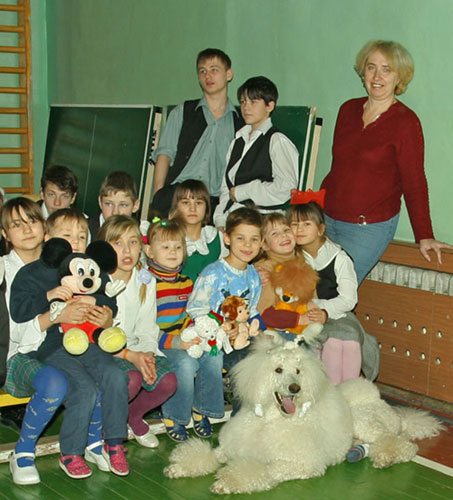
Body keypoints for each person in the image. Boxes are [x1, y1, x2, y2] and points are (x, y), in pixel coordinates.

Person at [9, 206, 130, 478]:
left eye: (82, 236)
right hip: (53, 347)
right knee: (84, 388)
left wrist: (102, 308)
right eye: (67, 236)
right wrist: (51, 298)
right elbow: (19, 311)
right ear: (50, 239)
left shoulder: (90, 267)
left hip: (91, 343)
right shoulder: (32, 273)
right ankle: (71, 452)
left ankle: (113, 442)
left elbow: (108, 298)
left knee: (115, 375)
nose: (76, 242)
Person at [321, 40, 453, 284]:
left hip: (367, 228)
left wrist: (424, 234)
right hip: (327, 221)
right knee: (308, 290)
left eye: (386, 69)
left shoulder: (405, 122)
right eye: (371, 67)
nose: (377, 76)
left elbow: (414, 182)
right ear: (363, 71)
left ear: (399, 76)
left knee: (332, 291)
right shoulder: (348, 110)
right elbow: (339, 169)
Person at [1, 197, 68, 485]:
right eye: (17, 225)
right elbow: (12, 334)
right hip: (15, 355)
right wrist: (52, 313)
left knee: (99, 372)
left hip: (59, 347)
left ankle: (88, 443)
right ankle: (23, 452)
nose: (27, 229)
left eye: (32, 221)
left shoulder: (63, 264)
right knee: (54, 383)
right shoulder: (3, 270)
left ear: (44, 226)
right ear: (5, 234)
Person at [98, 215, 177, 448]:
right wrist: (133, 357)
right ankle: (104, 428)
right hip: (105, 353)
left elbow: (147, 327)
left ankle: (132, 416)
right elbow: (97, 337)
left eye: (132, 242)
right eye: (117, 243)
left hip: (136, 349)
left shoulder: (145, 280)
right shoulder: (96, 281)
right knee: (130, 379)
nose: (127, 250)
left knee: (168, 381)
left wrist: (147, 356)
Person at [144, 218, 222, 442]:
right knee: (186, 364)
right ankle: (175, 415)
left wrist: (197, 333)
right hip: (158, 342)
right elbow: (145, 327)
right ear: (149, 251)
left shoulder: (187, 282)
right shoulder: (147, 283)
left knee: (214, 354)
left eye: (178, 247)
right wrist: (177, 342)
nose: (172, 252)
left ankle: (201, 408)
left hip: (186, 337)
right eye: (165, 247)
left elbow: (190, 315)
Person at [288, 198, 380, 385]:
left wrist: (323, 310)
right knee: (333, 342)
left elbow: (348, 300)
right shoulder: (291, 257)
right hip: (304, 314)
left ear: (321, 229)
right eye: (294, 224)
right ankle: (330, 392)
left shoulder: (339, 258)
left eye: (306, 224)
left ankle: (350, 393)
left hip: (337, 312)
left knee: (350, 340)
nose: (299, 230)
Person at [151, 48, 243, 217]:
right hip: (176, 196)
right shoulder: (183, 112)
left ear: (228, 74)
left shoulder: (240, 122)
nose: (208, 76)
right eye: (203, 71)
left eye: (214, 70)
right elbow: (164, 154)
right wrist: (158, 193)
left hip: (214, 203)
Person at [213, 76, 299, 230]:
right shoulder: (238, 140)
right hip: (233, 218)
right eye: (243, 102)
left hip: (264, 222)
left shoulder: (277, 141)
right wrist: (220, 221)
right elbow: (227, 188)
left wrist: (244, 191)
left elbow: (286, 188)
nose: (246, 107)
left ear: (269, 106)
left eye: (253, 102)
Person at [187, 207, 265, 375]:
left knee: (270, 357)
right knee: (247, 367)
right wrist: (222, 327)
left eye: (254, 239)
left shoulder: (253, 276)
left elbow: (251, 310)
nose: (247, 245)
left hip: (241, 338)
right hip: (213, 340)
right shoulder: (213, 273)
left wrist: (261, 333)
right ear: (227, 238)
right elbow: (196, 308)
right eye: (240, 238)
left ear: (261, 242)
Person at [254, 212, 325, 345]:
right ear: (265, 245)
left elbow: (312, 300)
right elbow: (262, 313)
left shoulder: (303, 264)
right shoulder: (265, 270)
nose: (283, 235)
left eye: (286, 230)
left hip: (302, 329)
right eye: (274, 233)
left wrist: (320, 314)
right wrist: (299, 319)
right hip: (273, 330)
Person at [169, 179, 227, 282]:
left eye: (198, 203)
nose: (193, 208)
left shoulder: (217, 238)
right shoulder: (167, 238)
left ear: (207, 207)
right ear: (176, 207)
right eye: (186, 203)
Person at [88, 170, 149, 240]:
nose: (115, 212)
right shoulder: (85, 231)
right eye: (109, 204)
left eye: (123, 205)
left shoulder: (145, 231)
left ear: (135, 205)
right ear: (100, 202)